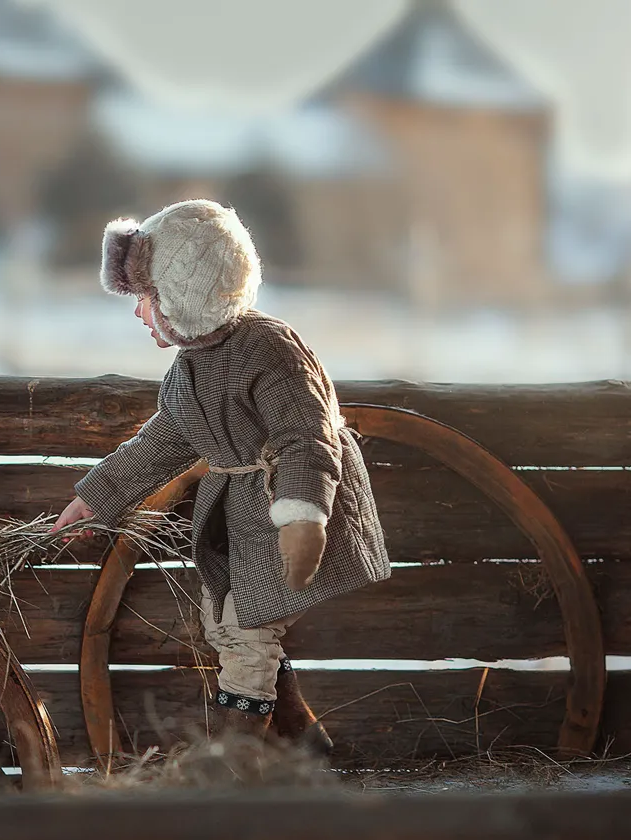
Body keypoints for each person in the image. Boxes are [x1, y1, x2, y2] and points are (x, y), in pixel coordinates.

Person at [50, 199, 390, 753]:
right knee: (229, 628)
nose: (140, 314)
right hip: (238, 522)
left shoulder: (272, 350)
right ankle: (308, 748)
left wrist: (304, 517)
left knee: (248, 642)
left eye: (147, 298)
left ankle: (232, 761)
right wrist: (97, 499)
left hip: (284, 517)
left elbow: (308, 435)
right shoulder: (190, 369)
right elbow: (163, 441)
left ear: (189, 298)